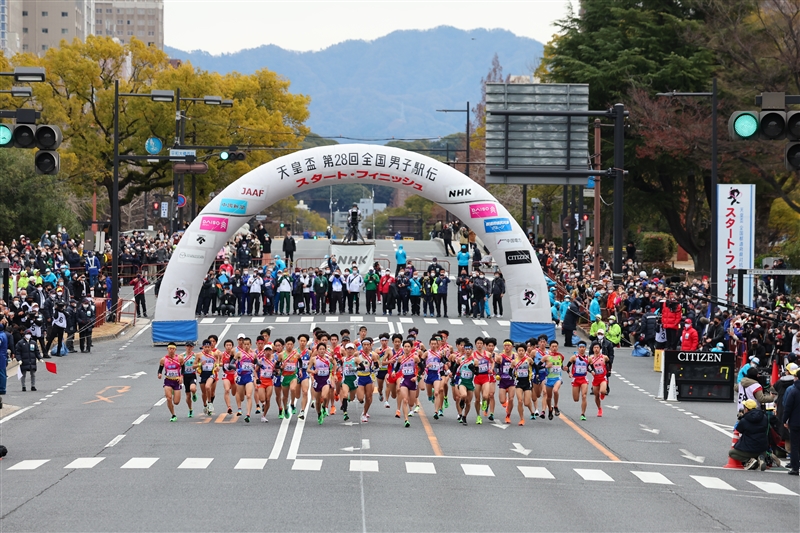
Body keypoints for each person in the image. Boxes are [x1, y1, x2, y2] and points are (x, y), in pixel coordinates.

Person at [731, 399, 770, 470]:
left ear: (746, 409)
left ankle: (750, 461)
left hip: (749, 448)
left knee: (732, 453)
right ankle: (760, 458)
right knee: (760, 452)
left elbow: (739, 430)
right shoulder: (764, 417)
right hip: (762, 448)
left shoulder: (744, 420)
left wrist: (740, 419)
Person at [780, 364, 800, 475]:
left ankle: (795, 467)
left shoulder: (793, 390)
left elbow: (787, 408)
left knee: (795, 445)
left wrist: (784, 420)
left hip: (795, 422)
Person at [157, 342, 183, 421]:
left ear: (175, 350)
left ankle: (173, 391)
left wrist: (181, 377)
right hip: (168, 380)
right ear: (167, 349)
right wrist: (159, 374)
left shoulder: (179, 358)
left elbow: (183, 369)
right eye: (170, 349)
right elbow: (160, 369)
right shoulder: (163, 359)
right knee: (168, 398)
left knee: (176, 402)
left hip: (176, 381)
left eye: (173, 349)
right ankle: (173, 415)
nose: (171, 350)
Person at [565, 341, 590, 420]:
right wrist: (569, 373)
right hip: (576, 379)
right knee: (576, 399)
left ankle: (583, 414)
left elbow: (590, 368)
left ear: (585, 348)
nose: (582, 349)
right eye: (580, 347)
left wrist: (592, 372)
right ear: (578, 348)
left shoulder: (588, 358)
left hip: (583, 379)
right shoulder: (574, 357)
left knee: (584, 395)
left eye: (583, 347)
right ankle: (582, 411)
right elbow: (567, 367)